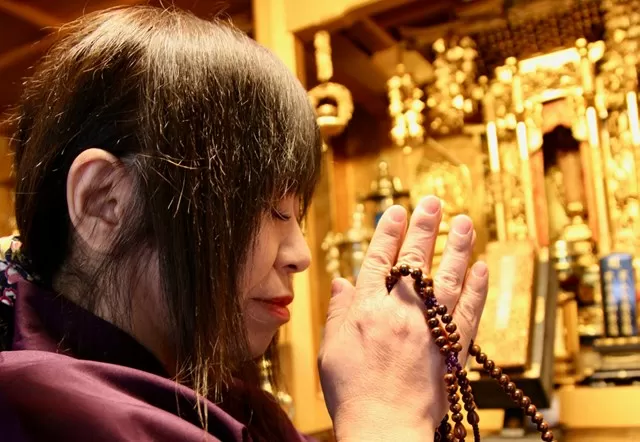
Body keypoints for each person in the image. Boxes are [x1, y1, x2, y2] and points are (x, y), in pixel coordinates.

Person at [0, 6, 488, 442]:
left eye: (296, 214)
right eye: (270, 209)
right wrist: (384, 417)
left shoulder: (220, 401)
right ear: (107, 202)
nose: (301, 254)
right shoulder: (37, 405)